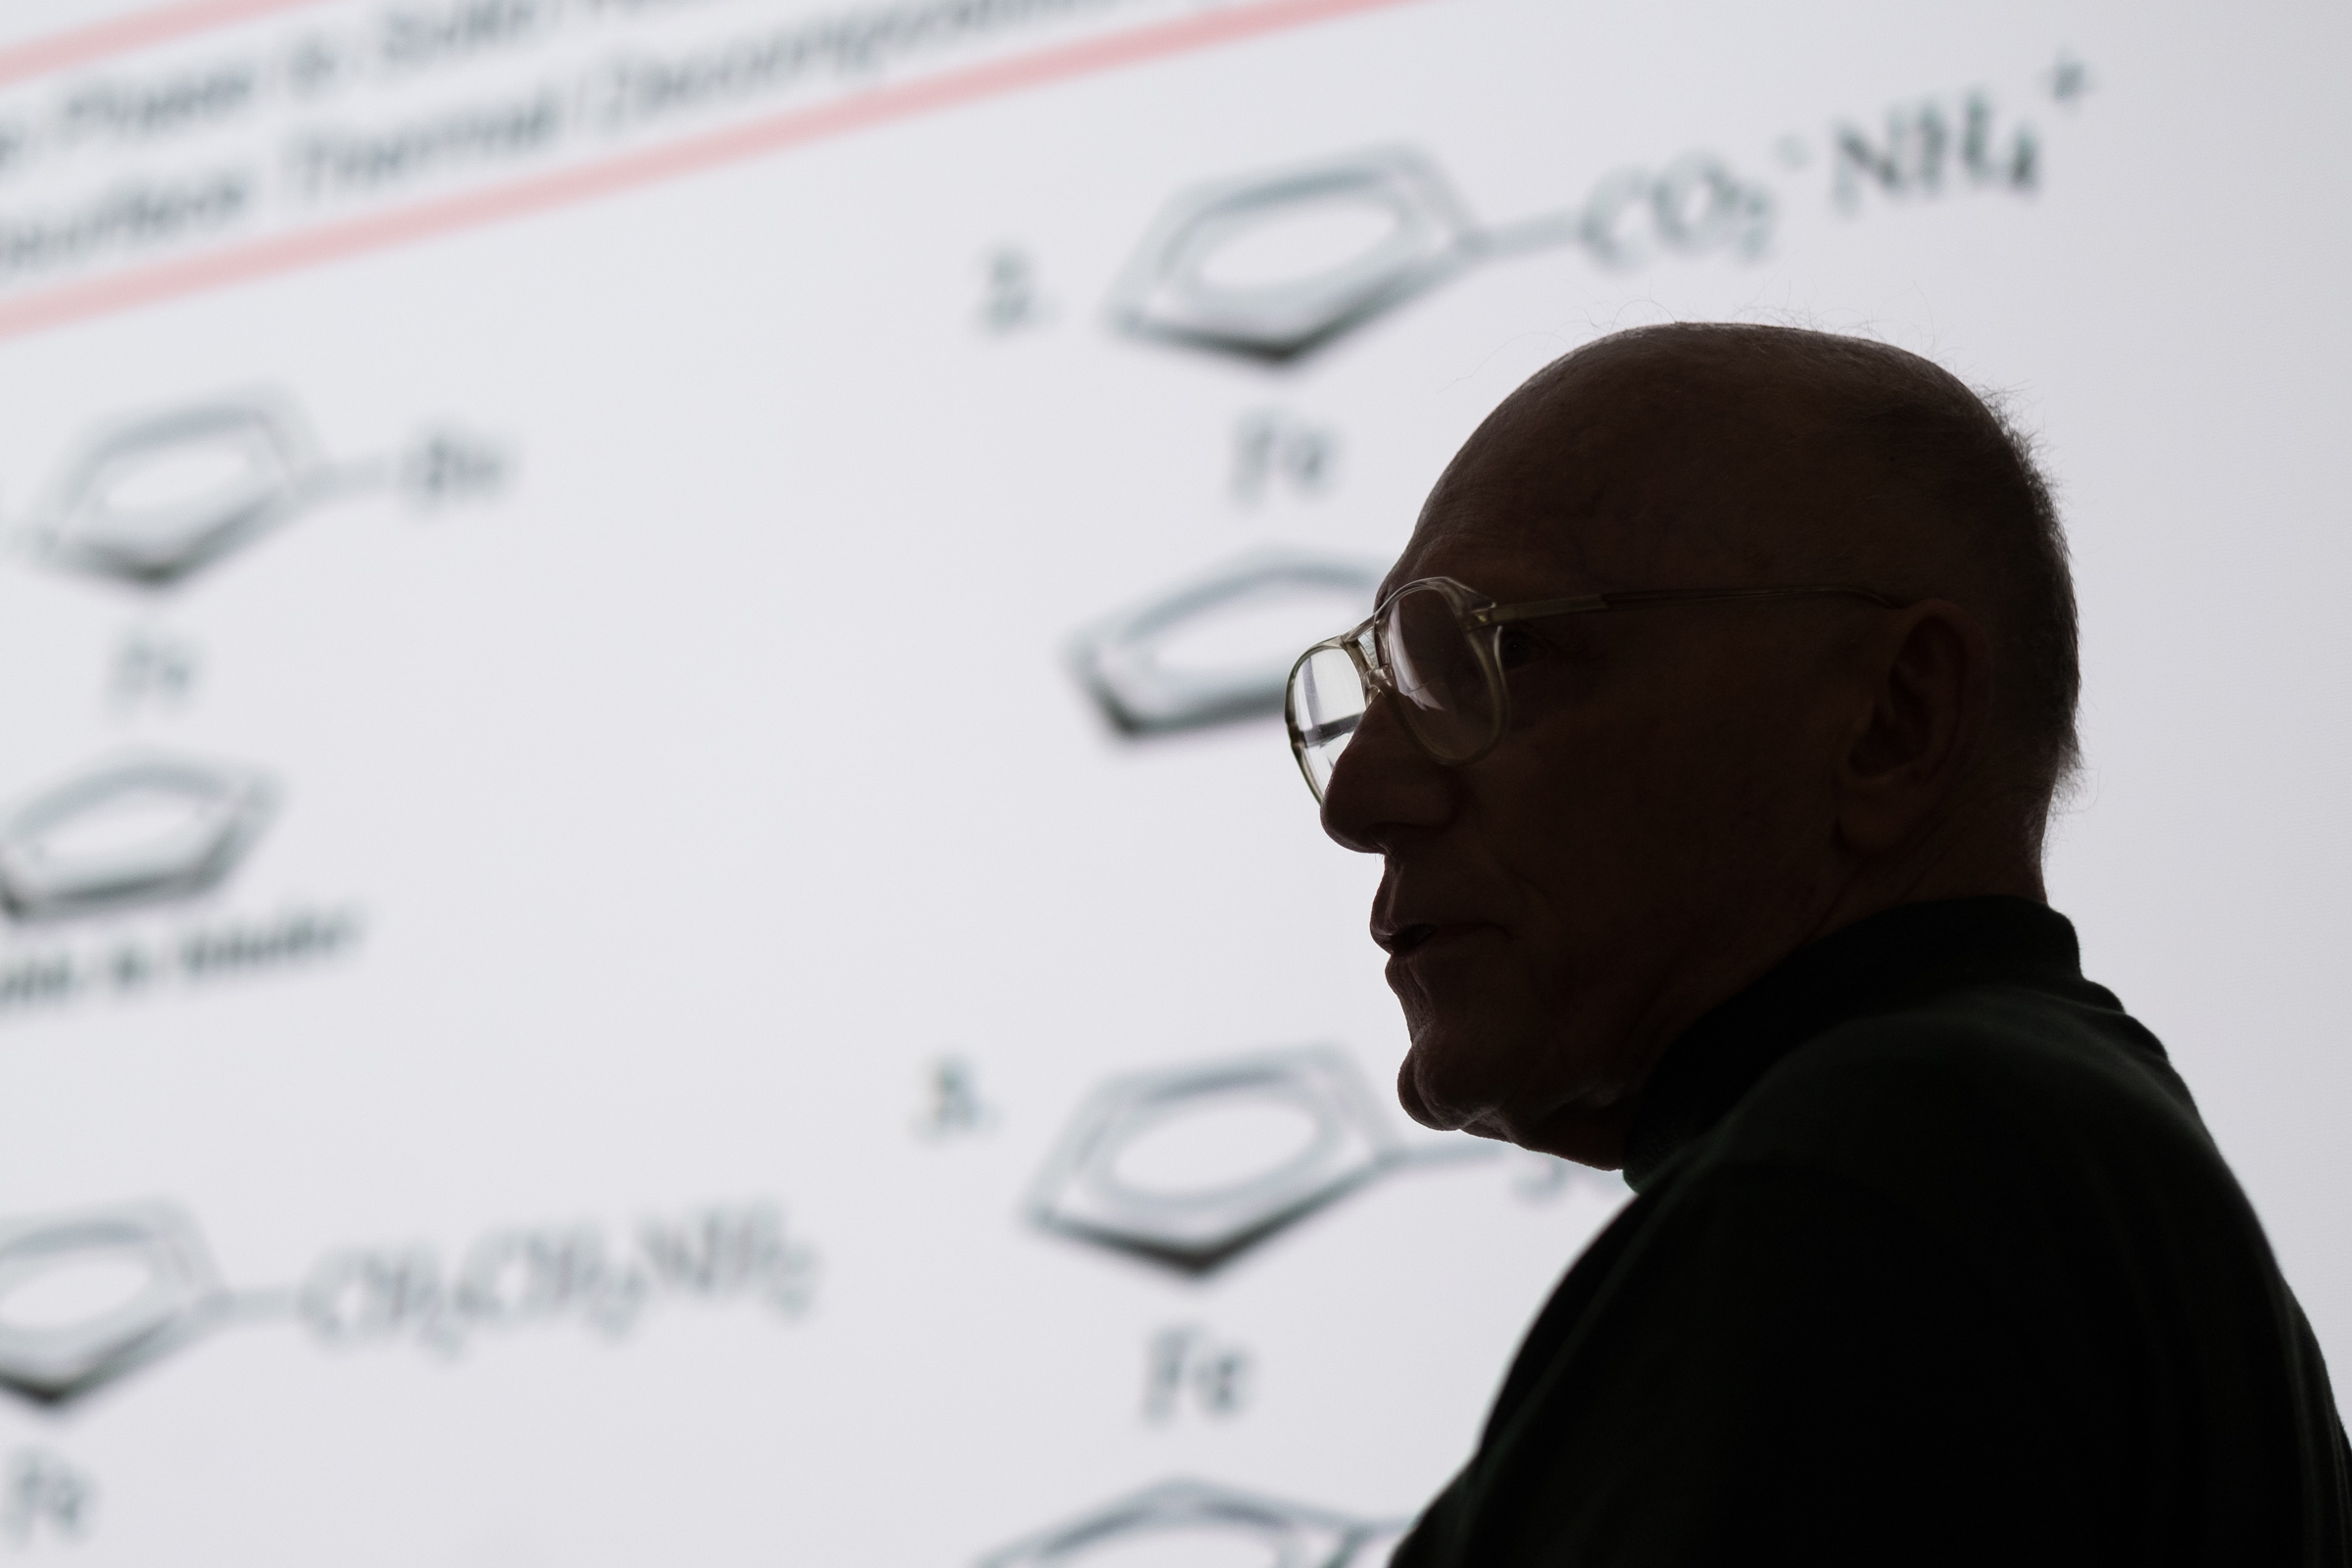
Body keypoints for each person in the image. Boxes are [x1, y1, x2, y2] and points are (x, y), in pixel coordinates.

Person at [1285, 323, 2351, 1564]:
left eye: (1489, 652)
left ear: (1894, 719)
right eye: (1379, 687)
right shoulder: (2069, 1185)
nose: (1360, 798)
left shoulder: (1896, 1168)